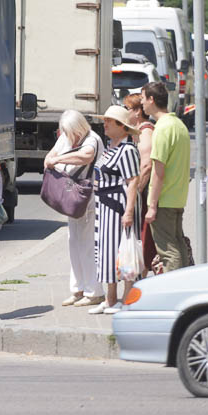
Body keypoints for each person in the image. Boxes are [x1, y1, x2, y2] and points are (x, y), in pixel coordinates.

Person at [46, 109, 105, 307]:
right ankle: (78, 289)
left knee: (88, 245)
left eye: (70, 132)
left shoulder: (92, 139)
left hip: (89, 197)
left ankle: (94, 291)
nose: (68, 136)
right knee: (74, 243)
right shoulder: (67, 138)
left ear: (78, 128)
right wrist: (52, 158)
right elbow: (49, 157)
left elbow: (86, 156)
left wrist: (58, 160)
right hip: (74, 196)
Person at [89, 106, 141, 314]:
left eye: (109, 121)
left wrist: (128, 211)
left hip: (118, 206)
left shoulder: (127, 150)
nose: (105, 123)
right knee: (105, 252)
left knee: (122, 253)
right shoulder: (111, 147)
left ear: (122, 126)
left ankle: (126, 298)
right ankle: (110, 298)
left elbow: (133, 181)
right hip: (104, 205)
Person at [142, 81, 192, 271]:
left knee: (168, 251)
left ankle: (175, 292)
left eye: (143, 99)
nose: (142, 104)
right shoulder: (178, 125)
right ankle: (185, 285)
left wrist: (152, 205)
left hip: (164, 200)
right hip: (177, 197)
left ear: (152, 100)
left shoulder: (162, 129)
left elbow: (158, 172)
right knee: (178, 245)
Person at [124, 92, 158, 274]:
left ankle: (143, 279)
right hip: (142, 193)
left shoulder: (145, 131)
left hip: (145, 194)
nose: (125, 112)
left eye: (127, 108)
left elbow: (146, 165)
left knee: (145, 239)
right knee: (143, 238)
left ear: (137, 112)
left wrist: (137, 191)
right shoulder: (137, 131)